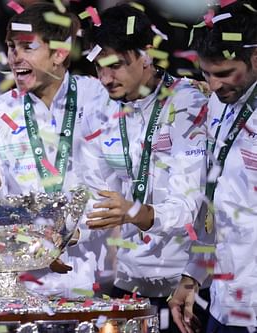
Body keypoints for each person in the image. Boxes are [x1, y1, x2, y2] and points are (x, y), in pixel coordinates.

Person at [0, 2, 117, 298]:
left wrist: (68, 236)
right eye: (11, 47)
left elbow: (117, 187)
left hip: (100, 283)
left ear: (59, 53)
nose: (15, 57)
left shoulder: (102, 101)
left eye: (27, 47)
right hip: (25, 290)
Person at [81, 4, 210, 332]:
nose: (106, 79)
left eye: (116, 66)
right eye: (98, 67)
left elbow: (188, 208)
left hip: (186, 286)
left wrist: (135, 211)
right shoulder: (99, 110)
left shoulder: (189, 103)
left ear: (147, 55)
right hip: (127, 287)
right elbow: (92, 200)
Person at [168, 2, 257, 333]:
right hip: (225, 300)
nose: (215, 86)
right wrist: (194, 273)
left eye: (224, 73)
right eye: (206, 74)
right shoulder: (218, 104)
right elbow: (216, 197)